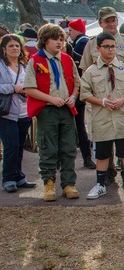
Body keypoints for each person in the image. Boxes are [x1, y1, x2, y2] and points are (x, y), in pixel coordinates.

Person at [80, 7, 124, 185]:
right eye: (107, 20)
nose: (111, 23)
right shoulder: (92, 44)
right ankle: (106, 174)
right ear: (100, 23)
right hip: (101, 100)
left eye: (114, 20)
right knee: (103, 138)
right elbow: (85, 70)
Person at [24, 23, 80, 202]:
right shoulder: (36, 60)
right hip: (47, 110)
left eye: (62, 39)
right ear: (45, 40)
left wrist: (73, 96)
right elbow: (29, 88)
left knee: (69, 147)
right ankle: (48, 183)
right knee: (48, 147)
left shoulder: (67, 59)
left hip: (66, 108)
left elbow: (77, 84)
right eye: (55, 39)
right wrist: (50, 99)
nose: (60, 42)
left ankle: (68, 184)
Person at [0, 34, 35, 193]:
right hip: (6, 113)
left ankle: (19, 176)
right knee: (11, 146)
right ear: (4, 49)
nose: (14, 48)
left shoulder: (25, 66)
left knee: (20, 146)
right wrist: (12, 88)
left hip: (24, 112)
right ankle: (8, 178)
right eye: (11, 46)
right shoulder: (1, 66)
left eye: (17, 46)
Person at [67, 18, 96, 170]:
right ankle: (85, 158)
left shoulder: (82, 42)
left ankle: (87, 157)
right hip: (70, 91)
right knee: (77, 127)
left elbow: (82, 67)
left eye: (70, 30)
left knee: (80, 126)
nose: (68, 33)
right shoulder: (76, 43)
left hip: (77, 90)